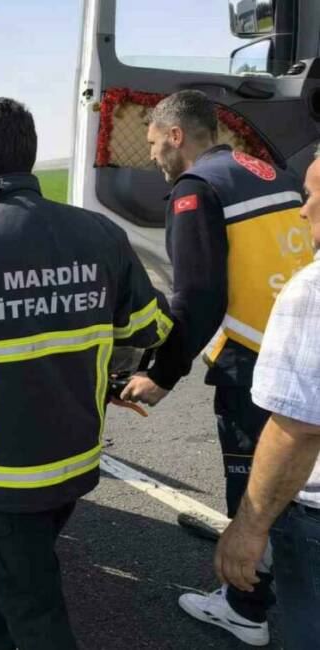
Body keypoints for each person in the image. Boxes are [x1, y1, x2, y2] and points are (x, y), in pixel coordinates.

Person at [0, 99, 172, 650]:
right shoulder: (100, 234)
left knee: (35, 603)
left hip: (2, 472)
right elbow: (149, 328)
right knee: (22, 570)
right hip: (75, 455)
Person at [121, 90, 314, 645]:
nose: (154, 155)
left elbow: (198, 295)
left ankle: (245, 607)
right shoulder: (271, 172)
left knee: (255, 484)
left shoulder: (194, 190)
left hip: (255, 355)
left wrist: (161, 375)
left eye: (155, 142)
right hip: (301, 337)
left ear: (176, 135)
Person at [214, 149, 320, 650]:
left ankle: (243, 617)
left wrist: (248, 529)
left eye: (314, 196)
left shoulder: (311, 291)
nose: (303, 211)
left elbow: (296, 428)